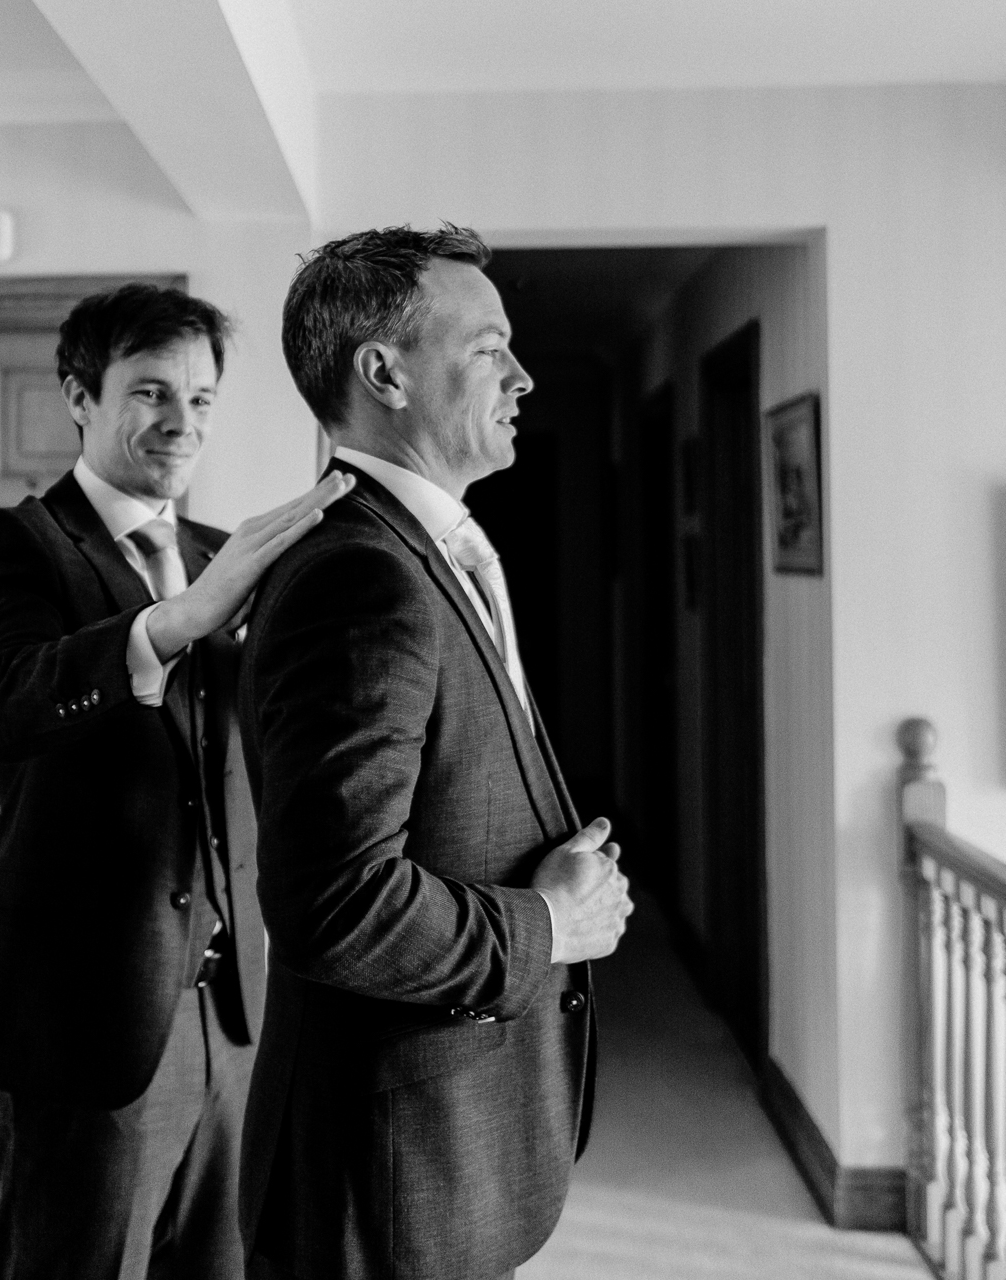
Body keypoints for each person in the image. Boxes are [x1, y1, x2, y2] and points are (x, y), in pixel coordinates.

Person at [238, 225, 635, 1280]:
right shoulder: (356, 576)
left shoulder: (425, 546)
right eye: (488, 347)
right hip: (391, 1169)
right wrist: (553, 921)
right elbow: (336, 906)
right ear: (384, 372)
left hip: (449, 1141)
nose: (523, 374)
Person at [0, 282, 353, 1280]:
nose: (182, 421)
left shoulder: (224, 556)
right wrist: (173, 621)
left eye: (203, 398)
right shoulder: (18, 542)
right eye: (152, 391)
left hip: (234, 1017)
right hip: (88, 1020)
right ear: (81, 395)